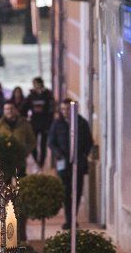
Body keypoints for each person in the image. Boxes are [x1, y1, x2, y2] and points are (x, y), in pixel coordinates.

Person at [48, 101, 93, 229]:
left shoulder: (82, 123)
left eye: (67, 109)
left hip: (78, 163)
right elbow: (51, 142)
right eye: (63, 109)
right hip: (63, 163)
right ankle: (69, 219)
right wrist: (59, 154)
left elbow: (89, 142)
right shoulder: (57, 124)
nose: (65, 111)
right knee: (66, 191)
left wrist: (83, 154)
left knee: (77, 191)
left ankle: (74, 217)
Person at [0, 102, 36, 181]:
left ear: (16, 110)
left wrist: (25, 151)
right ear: (4, 111)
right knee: (4, 185)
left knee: (21, 184)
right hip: (4, 161)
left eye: (11, 108)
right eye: (7, 109)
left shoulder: (24, 124)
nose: (9, 111)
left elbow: (32, 141)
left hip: (19, 159)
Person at [20, 78, 54, 169]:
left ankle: (41, 163)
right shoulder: (31, 95)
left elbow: (51, 110)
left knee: (43, 144)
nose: (36, 86)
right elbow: (23, 108)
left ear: (41, 84)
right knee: (33, 143)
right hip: (33, 122)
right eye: (34, 84)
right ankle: (36, 160)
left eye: (37, 84)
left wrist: (49, 123)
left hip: (44, 123)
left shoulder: (47, 95)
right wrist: (25, 118)